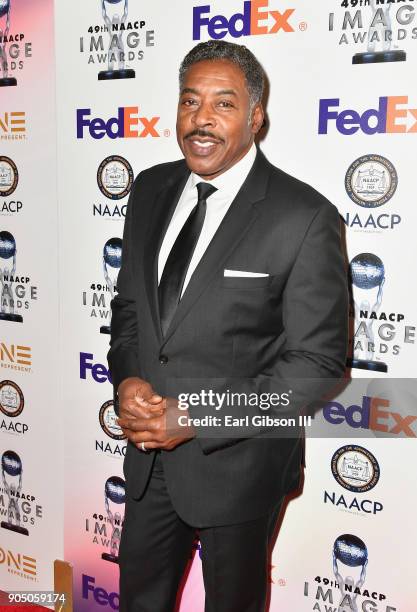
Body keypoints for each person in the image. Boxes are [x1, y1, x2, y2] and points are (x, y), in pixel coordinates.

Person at [107, 40, 349, 612]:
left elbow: (315, 367)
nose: (201, 121)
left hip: (240, 468)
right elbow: (129, 311)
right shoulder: (148, 189)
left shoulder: (304, 216)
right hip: (147, 462)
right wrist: (128, 380)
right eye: (190, 102)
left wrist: (193, 416)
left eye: (224, 103)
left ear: (256, 116)